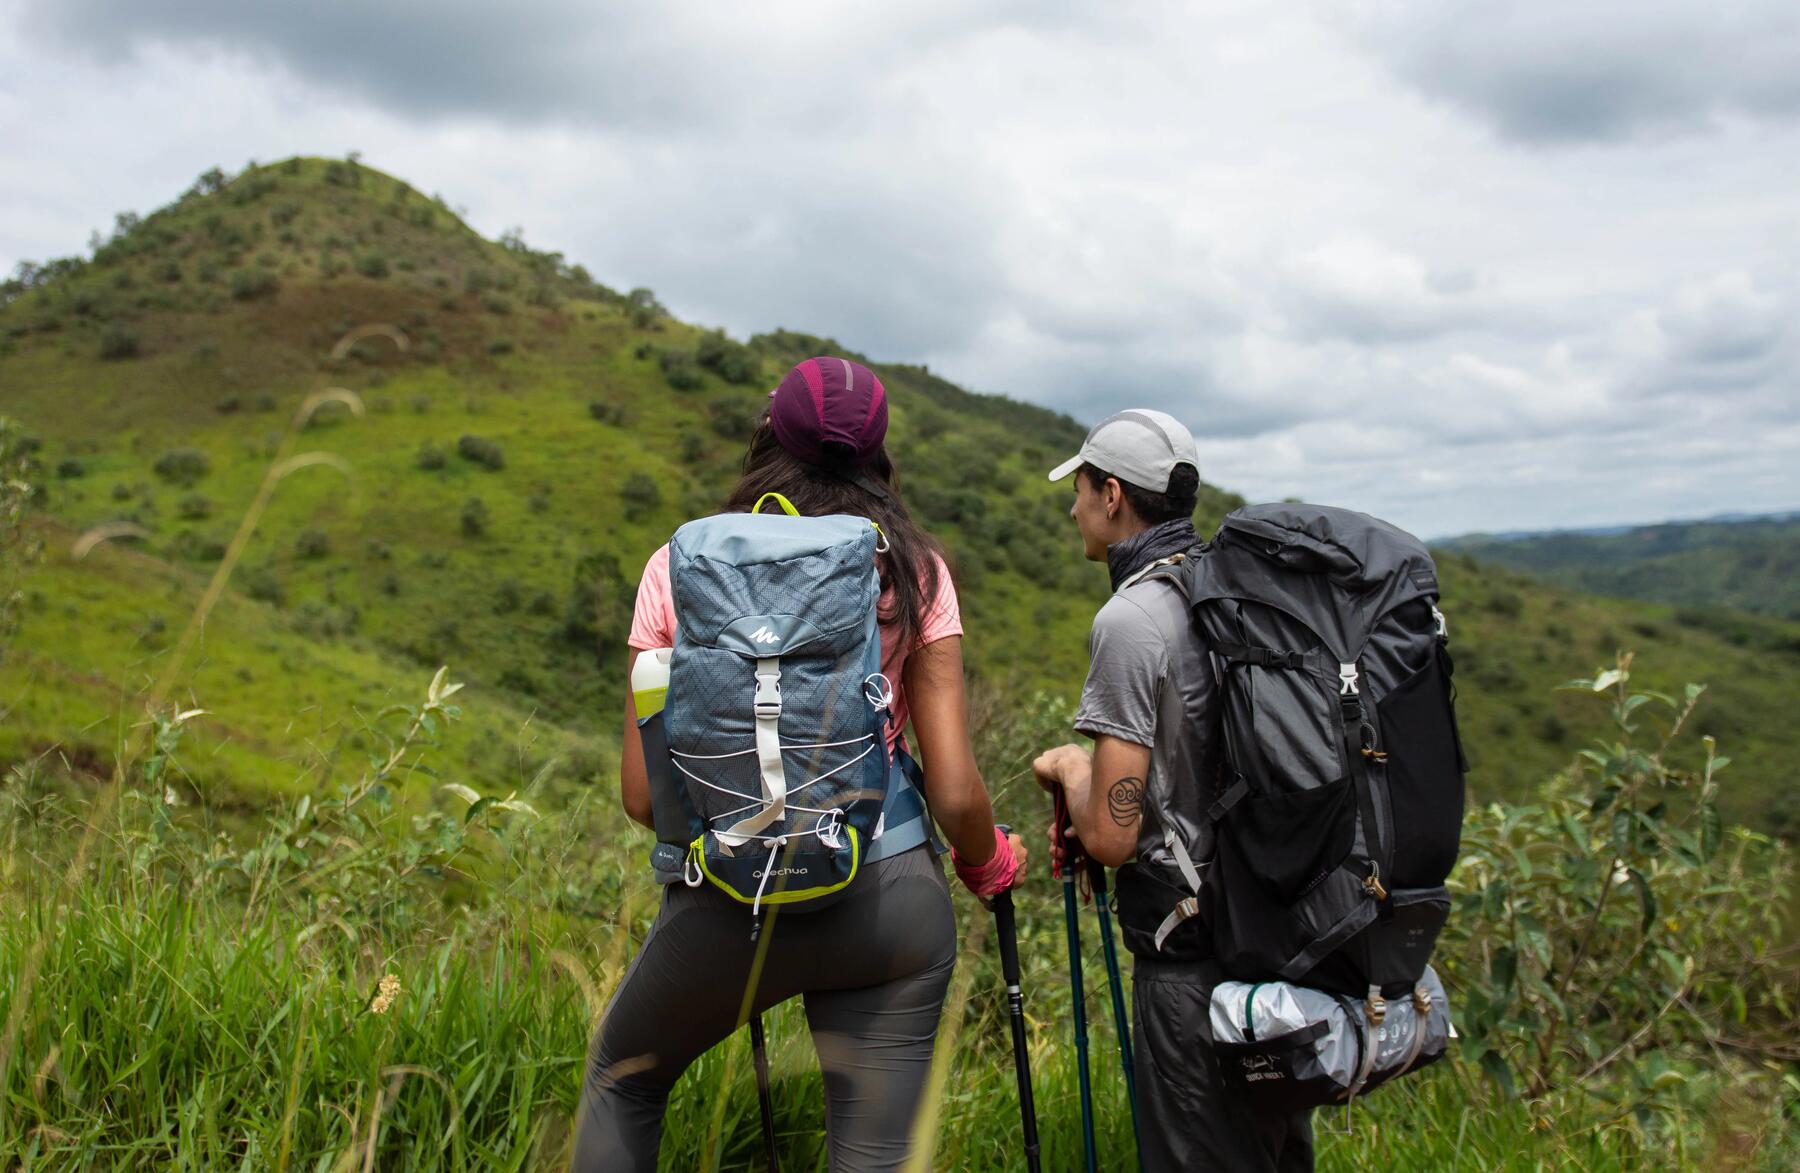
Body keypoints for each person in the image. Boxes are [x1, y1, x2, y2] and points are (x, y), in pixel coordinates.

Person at [573, 356, 1027, 1172]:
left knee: (623, 1080)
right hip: (887, 895)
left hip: (730, 902)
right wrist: (989, 860)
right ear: (879, 453)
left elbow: (644, 797)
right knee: (877, 1155)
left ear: (768, 437)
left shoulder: (678, 567)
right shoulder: (915, 572)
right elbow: (956, 788)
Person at [1032, 410, 1314, 1172]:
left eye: (1082, 490)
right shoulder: (1237, 592)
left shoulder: (1131, 619)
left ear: (1113, 494)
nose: (1074, 508)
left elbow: (1113, 835)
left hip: (1188, 960)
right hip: (1274, 937)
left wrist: (1067, 767)